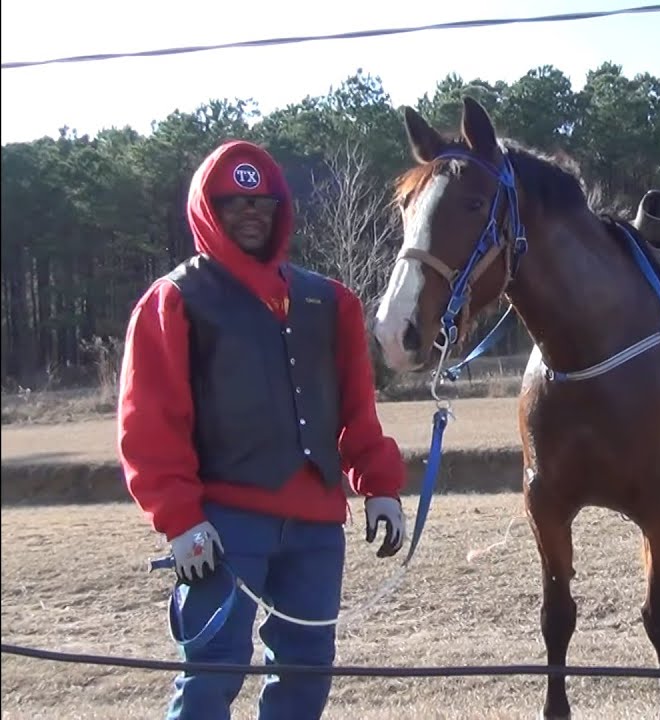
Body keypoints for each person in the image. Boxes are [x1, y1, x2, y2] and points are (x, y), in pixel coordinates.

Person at [116, 139, 407, 720]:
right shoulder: (175, 300)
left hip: (317, 527)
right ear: (207, 209)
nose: (250, 212)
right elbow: (149, 422)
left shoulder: (332, 301)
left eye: (263, 201)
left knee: (306, 670)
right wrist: (181, 520)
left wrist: (380, 487)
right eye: (233, 202)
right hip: (223, 526)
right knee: (210, 674)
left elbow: (357, 411)